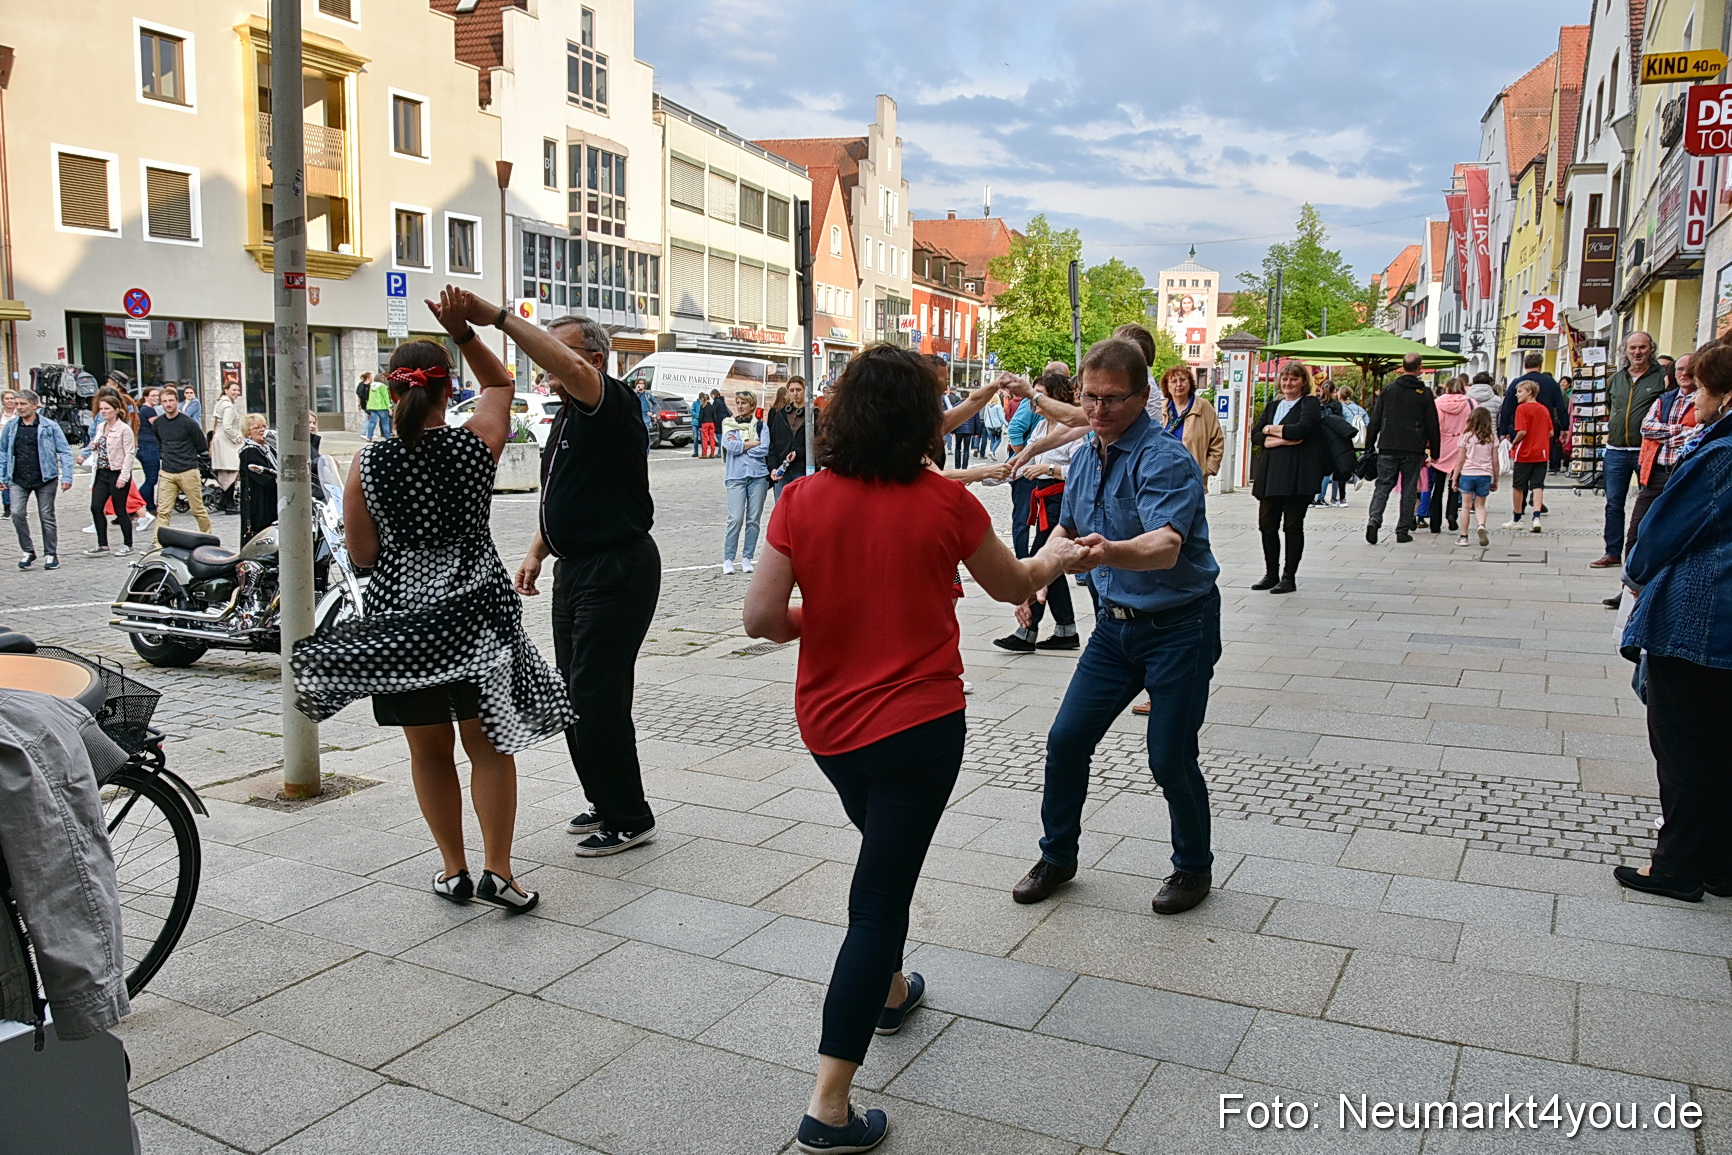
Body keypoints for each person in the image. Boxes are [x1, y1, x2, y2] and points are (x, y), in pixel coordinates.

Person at [741, 343, 1083, 1154]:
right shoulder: (944, 502)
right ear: (923, 420)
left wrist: (823, 617)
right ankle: (829, 1106)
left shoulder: (801, 499)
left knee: (883, 858)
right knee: (878, 899)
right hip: (919, 730)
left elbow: (760, 618)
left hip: (829, 728)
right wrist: (1057, 555)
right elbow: (1013, 584)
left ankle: (890, 989)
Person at [293, 288, 573, 912]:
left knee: (429, 752)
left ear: (390, 395)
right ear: (448, 391)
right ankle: (500, 871)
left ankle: (454, 870)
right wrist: (464, 331)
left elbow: (363, 554)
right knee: (489, 747)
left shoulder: (368, 463)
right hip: (477, 618)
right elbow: (500, 385)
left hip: (405, 627)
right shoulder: (475, 446)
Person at [1011, 338, 1222, 917]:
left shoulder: (1164, 458)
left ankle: (1193, 867)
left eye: (1112, 399)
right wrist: (1035, 578)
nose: (1097, 409)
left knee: (1169, 757)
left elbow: (1166, 546)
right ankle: (1057, 856)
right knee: (1066, 740)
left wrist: (1106, 552)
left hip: (1180, 625)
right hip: (1114, 628)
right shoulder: (1086, 455)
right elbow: (1065, 529)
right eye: (1089, 397)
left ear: (1141, 395)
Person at [513, 312, 661, 857]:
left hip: (616, 567)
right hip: (575, 568)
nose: (545, 363)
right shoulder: (568, 415)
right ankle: (604, 797)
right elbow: (568, 495)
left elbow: (574, 372)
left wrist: (501, 320)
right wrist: (537, 550)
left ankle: (629, 817)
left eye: (558, 352)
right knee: (573, 694)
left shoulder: (611, 402)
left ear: (594, 361)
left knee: (597, 697)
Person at [1611, 339, 1732, 903]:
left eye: (1701, 388)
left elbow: (1663, 531)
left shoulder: (1721, 453)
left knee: (1684, 742)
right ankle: (1719, 863)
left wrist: (1635, 571)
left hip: (1702, 614)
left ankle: (1678, 865)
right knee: (1718, 741)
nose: (1693, 398)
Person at [994, 371, 1080, 651]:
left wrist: (1050, 469)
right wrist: (992, 474)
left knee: (1040, 561)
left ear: (1056, 397)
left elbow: (1082, 470)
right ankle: (1066, 629)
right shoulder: (1042, 427)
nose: (1035, 402)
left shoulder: (1073, 429)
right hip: (1044, 500)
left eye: (1040, 395)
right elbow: (1024, 459)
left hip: (1062, 500)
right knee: (1051, 565)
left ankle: (1027, 631)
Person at [1594, 331, 1667, 568]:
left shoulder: (1661, 377)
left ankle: (1643, 553)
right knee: (1613, 503)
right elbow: (1610, 406)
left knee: (1649, 502)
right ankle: (1612, 552)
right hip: (1615, 450)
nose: (1637, 352)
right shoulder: (1616, 379)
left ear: (1651, 349)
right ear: (1625, 350)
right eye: (1632, 348)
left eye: (1642, 347)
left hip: (1646, 450)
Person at [1250, 362, 1324, 593]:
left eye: (1293, 379)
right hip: (1270, 473)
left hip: (1296, 474)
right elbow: (1256, 435)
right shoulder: (1273, 406)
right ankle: (1270, 573)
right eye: (1284, 378)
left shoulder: (1309, 404)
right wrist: (1279, 437)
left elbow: (1302, 429)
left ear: (1303, 382)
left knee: (1292, 526)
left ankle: (1288, 576)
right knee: (1266, 525)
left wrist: (1270, 430)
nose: (1288, 383)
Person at [1364, 353, 1441, 545]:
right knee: (1409, 488)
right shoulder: (1424, 393)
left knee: (1383, 485)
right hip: (1413, 448)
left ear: (1402, 366)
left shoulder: (1389, 390)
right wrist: (1435, 451)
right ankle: (1402, 530)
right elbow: (1432, 424)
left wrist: (1369, 444)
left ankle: (1374, 519)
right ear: (1419, 368)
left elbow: (1376, 418)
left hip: (1388, 445)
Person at [1, 390, 75, 570]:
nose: (19, 408)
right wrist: (2, 475)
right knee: (17, 513)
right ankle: (28, 551)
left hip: (45, 477)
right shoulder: (11, 426)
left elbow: (65, 451)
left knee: (46, 515)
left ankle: (51, 554)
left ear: (35, 405)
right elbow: (3, 451)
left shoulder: (49, 426)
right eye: (17, 404)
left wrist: (67, 476)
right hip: (18, 477)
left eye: (23, 404)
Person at [152, 386, 212, 540]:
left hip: (188, 470)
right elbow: (160, 444)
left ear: (177, 401)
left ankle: (208, 537)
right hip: (167, 471)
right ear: (161, 403)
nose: (168, 404)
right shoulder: (158, 423)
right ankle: (157, 542)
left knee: (197, 509)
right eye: (164, 401)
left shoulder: (188, 423)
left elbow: (201, 445)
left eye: (171, 400)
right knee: (163, 511)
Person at [721, 390, 770, 574]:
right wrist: (750, 444)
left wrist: (743, 447)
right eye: (738, 403)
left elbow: (764, 448)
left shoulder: (761, 426)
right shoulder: (730, 424)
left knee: (753, 519)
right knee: (735, 518)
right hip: (736, 476)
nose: (740, 406)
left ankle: (747, 557)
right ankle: (728, 558)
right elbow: (730, 446)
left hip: (758, 476)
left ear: (752, 405)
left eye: (744, 403)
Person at [83, 393, 136, 557]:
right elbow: (100, 446)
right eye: (101, 409)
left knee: (120, 510)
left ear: (116, 410)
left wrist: (124, 476)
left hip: (117, 472)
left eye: (107, 409)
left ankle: (128, 544)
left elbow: (129, 453)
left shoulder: (124, 429)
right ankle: (102, 544)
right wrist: (93, 446)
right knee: (96, 507)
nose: (103, 412)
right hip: (102, 472)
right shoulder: (101, 427)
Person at [1158, 365, 1225, 483]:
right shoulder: (1161, 410)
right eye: (1174, 381)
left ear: (1190, 383)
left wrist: (1207, 469)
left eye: (1183, 380)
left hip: (1193, 479)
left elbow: (1217, 441)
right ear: (1167, 387)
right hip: (1165, 477)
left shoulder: (1203, 407)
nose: (1179, 384)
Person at [1503, 380, 1553, 533]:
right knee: (1537, 485)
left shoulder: (1522, 408)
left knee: (1518, 486)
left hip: (1524, 452)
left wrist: (1514, 443)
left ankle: (1517, 518)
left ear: (1529, 392)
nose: (1516, 395)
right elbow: (1550, 432)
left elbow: (1522, 431)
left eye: (1520, 391)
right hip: (1542, 452)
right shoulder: (1543, 409)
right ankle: (1536, 517)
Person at [1428, 376, 1475, 534]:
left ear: (1446, 387)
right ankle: (1451, 514)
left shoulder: (1437, 403)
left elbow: (1432, 425)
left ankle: (1435, 523)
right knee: (1455, 484)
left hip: (1441, 445)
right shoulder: (1470, 403)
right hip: (1462, 445)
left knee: (1438, 486)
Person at [1450, 405, 1499, 548]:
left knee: (1466, 507)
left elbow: (1460, 460)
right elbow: (1495, 461)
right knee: (1480, 505)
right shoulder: (1492, 438)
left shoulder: (1466, 437)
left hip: (1468, 474)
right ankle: (1481, 525)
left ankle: (1463, 537)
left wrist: (1454, 478)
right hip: (1485, 474)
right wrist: (1495, 479)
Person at [238, 413, 278, 545]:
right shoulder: (249, 451)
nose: (262, 430)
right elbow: (264, 479)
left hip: (270, 499)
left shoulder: (268, 449)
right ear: (248, 433)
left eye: (264, 426)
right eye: (257, 428)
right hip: (259, 501)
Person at [767, 377, 809, 496]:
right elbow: (772, 444)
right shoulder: (780, 415)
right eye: (792, 390)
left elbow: (818, 443)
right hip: (782, 470)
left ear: (805, 390)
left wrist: (798, 452)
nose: (795, 393)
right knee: (781, 505)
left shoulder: (814, 415)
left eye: (798, 390)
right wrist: (773, 467)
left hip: (803, 470)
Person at [210, 378, 244, 512]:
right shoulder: (228, 406)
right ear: (226, 390)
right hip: (226, 442)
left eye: (238, 390)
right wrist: (237, 438)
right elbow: (227, 426)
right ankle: (229, 504)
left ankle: (223, 501)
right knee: (231, 470)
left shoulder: (220, 403)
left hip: (221, 440)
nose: (237, 392)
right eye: (234, 390)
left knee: (227, 471)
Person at [136, 386, 162, 513]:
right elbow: (158, 427)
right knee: (152, 479)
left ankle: (151, 507)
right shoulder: (149, 410)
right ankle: (133, 506)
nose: (156, 398)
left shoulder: (143, 409)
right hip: (149, 447)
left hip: (144, 447)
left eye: (157, 395)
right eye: (153, 395)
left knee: (149, 479)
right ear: (146, 397)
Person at [363, 371, 393, 441]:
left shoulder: (371, 386)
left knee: (372, 422)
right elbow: (386, 398)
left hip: (372, 407)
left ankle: (369, 437)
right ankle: (387, 437)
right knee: (385, 423)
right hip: (382, 407)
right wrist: (389, 408)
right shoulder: (383, 386)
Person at [698, 389, 721, 458]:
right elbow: (715, 417)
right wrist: (715, 425)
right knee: (712, 438)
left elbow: (700, 417)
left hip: (705, 423)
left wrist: (699, 425)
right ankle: (712, 453)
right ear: (709, 398)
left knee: (705, 439)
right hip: (711, 423)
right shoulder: (713, 407)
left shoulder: (702, 407)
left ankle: (704, 453)